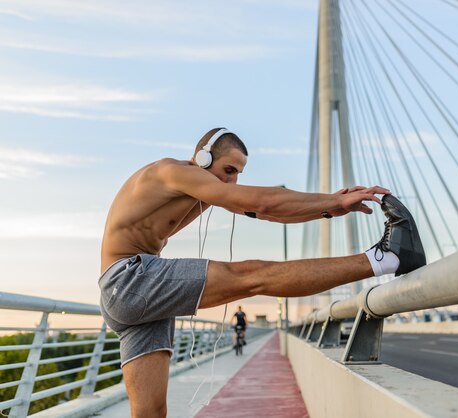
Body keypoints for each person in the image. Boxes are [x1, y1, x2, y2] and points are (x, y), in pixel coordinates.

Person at [98, 127, 426, 417]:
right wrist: (332, 201)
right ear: (201, 157)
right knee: (253, 275)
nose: (231, 181)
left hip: (127, 294)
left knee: (150, 413)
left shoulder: (203, 186)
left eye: (237, 174)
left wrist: (329, 206)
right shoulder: (171, 172)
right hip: (130, 279)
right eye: (228, 169)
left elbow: (267, 213)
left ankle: (387, 259)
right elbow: (265, 203)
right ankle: (387, 258)